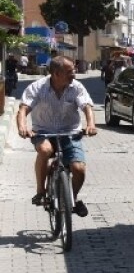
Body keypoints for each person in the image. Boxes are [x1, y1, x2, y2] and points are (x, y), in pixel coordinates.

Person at [16, 56, 98, 216]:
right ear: (56, 73)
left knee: (79, 169)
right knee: (45, 151)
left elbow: (87, 107)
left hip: (70, 133)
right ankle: (41, 191)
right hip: (43, 132)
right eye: (69, 71)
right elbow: (23, 109)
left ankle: (71, 200)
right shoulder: (37, 87)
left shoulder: (76, 87)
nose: (73, 74)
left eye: (73, 70)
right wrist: (22, 127)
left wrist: (91, 125)